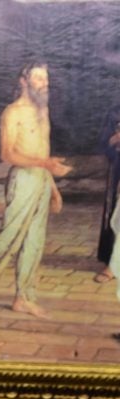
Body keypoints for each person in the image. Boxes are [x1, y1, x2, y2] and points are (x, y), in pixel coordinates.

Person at [0, 63, 72, 319]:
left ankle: (24, 297)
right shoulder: (12, 112)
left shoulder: (42, 110)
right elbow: (7, 154)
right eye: (38, 78)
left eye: (45, 78)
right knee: (9, 237)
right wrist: (44, 164)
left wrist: (54, 189)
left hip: (41, 180)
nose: (44, 83)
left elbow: (44, 153)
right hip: (22, 180)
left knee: (34, 242)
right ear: (23, 81)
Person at [94, 104, 120, 284]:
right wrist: (116, 138)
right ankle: (113, 265)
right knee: (117, 219)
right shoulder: (116, 112)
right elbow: (104, 144)